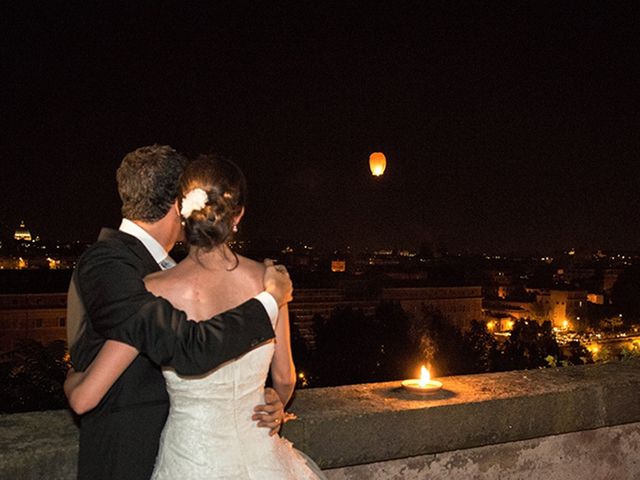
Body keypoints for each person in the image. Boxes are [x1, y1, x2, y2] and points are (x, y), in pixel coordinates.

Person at [66, 154, 325, 479]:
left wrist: (72, 378)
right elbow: (285, 378)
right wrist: (276, 399)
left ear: (184, 211)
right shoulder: (271, 281)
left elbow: (85, 396)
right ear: (238, 215)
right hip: (261, 458)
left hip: (189, 461)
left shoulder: (153, 289)